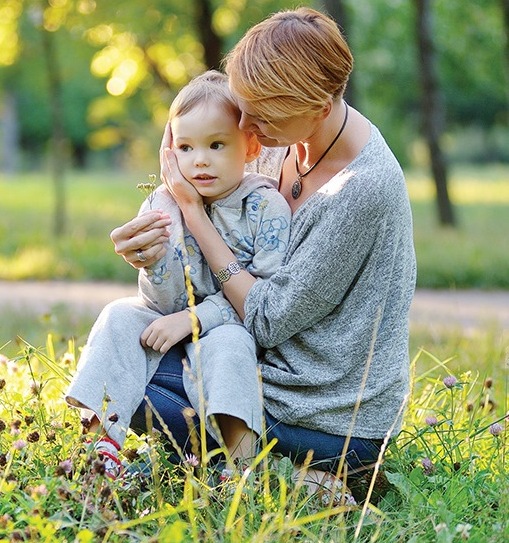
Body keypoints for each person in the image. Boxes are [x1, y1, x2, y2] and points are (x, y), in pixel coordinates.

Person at [117, 7, 416, 500]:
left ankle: (294, 474)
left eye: (263, 112)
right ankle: (278, 474)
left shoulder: (362, 190)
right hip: (254, 363)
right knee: (120, 348)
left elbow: (266, 318)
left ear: (319, 106)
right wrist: (157, 239)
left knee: (133, 384)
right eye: (243, 103)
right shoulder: (281, 142)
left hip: (326, 413)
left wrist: (193, 216)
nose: (244, 123)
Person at [65, 70, 291, 477]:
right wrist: (152, 263)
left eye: (216, 145)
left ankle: (238, 468)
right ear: (170, 150)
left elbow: (263, 294)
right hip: (167, 315)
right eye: (185, 147)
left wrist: (193, 320)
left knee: (231, 348)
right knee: (119, 314)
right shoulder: (162, 202)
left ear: (251, 146)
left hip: (228, 322)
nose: (199, 159)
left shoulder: (265, 207)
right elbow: (162, 299)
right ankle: (102, 446)